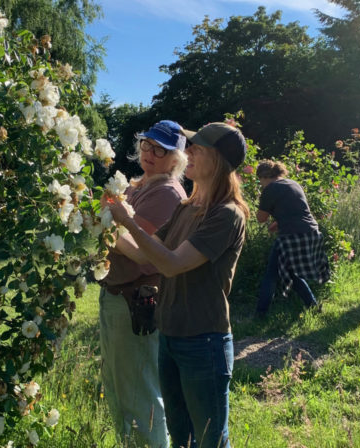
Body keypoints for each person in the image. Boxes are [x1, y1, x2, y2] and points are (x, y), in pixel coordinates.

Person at [104, 122, 249, 448]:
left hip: (204, 340)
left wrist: (126, 220)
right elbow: (144, 251)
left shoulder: (227, 215)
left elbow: (171, 264)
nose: (189, 152)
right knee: (182, 437)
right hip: (170, 334)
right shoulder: (187, 208)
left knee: (211, 439)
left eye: (199, 148)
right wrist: (105, 224)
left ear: (220, 160)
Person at [99, 120, 188, 448]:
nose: (150, 153)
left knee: (138, 394)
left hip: (134, 302)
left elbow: (144, 255)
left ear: (176, 158)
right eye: (147, 145)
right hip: (116, 295)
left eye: (161, 149)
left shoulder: (166, 193)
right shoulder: (137, 185)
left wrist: (104, 223)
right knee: (118, 387)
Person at [254, 160, 330, 317]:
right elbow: (296, 211)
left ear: (263, 177)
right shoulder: (293, 183)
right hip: (311, 231)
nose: (260, 184)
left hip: (291, 235)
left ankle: (260, 315)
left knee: (271, 274)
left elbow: (261, 218)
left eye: (260, 181)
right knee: (291, 273)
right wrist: (278, 222)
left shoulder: (270, 189)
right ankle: (313, 306)